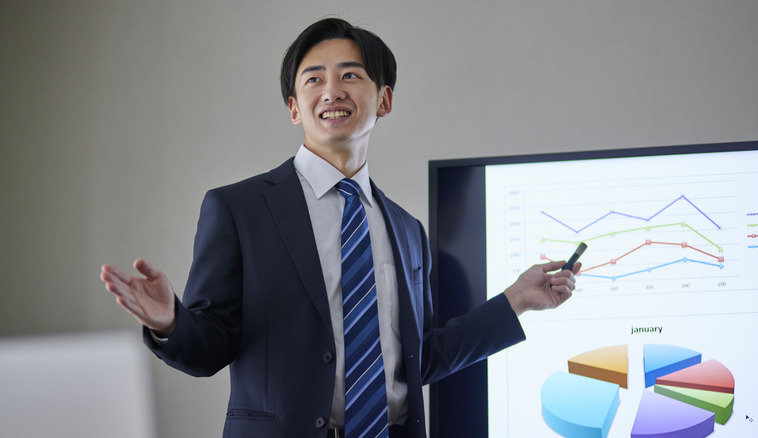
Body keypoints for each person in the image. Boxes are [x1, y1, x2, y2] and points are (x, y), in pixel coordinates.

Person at [100, 18, 580, 438]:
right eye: (314, 79)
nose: (332, 91)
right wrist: (170, 322)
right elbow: (210, 347)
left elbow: (420, 359)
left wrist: (516, 300)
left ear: (384, 100)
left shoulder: (407, 230)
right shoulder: (239, 209)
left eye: (350, 75)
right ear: (295, 107)